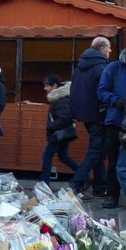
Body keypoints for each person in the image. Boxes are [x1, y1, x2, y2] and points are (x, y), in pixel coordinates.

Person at [69, 36, 111, 197]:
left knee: (98, 151)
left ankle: (100, 187)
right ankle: (76, 182)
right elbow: (104, 90)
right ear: (101, 49)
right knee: (96, 151)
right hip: (97, 114)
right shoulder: (101, 67)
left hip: (83, 114)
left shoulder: (81, 66)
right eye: (108, 48)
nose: (110, 51)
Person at [97, 48, 126, 209]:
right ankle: (112, 195)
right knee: (114, 161)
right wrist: (116, 101)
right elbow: (101, 91)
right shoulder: (113, 68)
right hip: (115, 121)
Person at [41, 74, 79, 184]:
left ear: (55, 86)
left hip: (58, 135)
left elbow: (64, 118)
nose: (45, 88)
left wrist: (50, 126)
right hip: (63, 134)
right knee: (64, 157)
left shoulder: (60, 99)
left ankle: (44, 184)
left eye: (47, 86)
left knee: (47, 157)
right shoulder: (61, 97)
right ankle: (82, 174)